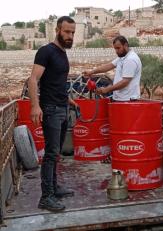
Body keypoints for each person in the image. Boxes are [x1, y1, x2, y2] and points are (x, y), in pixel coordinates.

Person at [28, 16, 77, 212]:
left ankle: (54, 188)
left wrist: (68, 99)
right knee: (50, 154)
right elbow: (33, 80)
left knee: (55, 153)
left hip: (62, 108)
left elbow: (56, 82)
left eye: (73, 33)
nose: (70, 36)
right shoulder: (46, 51)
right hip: (50, 110)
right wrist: (34, 106)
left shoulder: (62, 53)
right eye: (66, 32)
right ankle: (46, 197)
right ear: (57, 30)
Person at [82, 35, 142, 101]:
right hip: (121, 99)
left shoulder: (130, 59)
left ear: (125, 45)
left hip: (127, 100)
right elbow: (109, 66)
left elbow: (125, 82)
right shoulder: (122, 57)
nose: (116, 51)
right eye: (115, 49)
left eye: (118, 48)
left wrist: (107, 89)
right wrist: (92, 72)